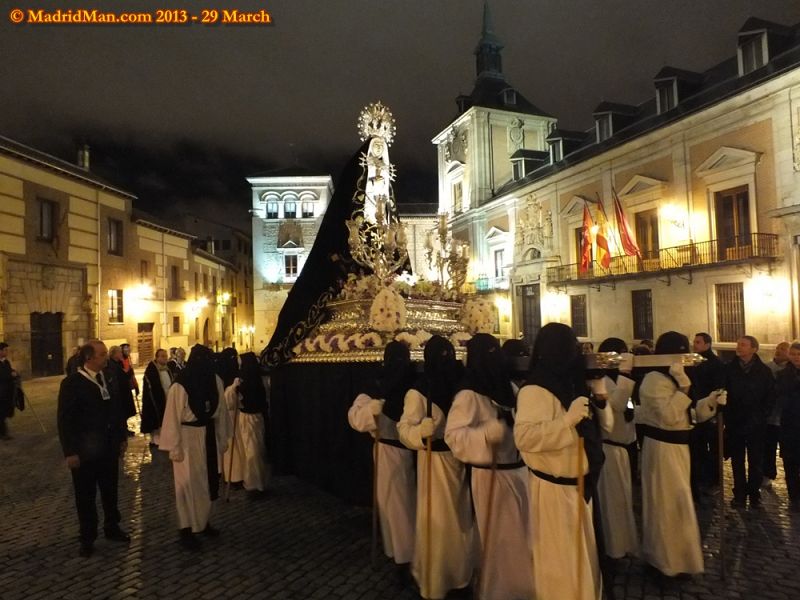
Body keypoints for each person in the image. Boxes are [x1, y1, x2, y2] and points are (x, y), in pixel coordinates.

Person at [514, 322, 613, 600]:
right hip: (554, 490)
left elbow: (601, 430)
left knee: (581, 560)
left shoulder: (572, 384)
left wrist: (601, 399)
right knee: (561, 563)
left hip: (582, 486)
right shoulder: (534, 390)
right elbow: (525, 438)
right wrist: (566, 422)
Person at [445, 333, 532, 600]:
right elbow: (454, 436)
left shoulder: (511, 389)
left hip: (519, 472)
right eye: (490, 353)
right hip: (491, 476)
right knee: (502, 541)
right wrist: (485, 433)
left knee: (523, 538)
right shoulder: (468, 395)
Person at [636, 331, 727, 577]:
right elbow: (668, 416)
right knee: (666, 504)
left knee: (679, 502)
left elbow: (690, 416)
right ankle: (664, 560)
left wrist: (711, 401)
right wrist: (684, 389)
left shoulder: (677, 378)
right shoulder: (653, 380)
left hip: (679, 449)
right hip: (661, 450)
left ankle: (681, 558)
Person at [398, 335, 475, 600]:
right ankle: (437, 578)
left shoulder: (462, 387)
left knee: (462, 518)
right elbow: (403, 429)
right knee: (439, 520)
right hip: (434, 463)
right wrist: (420, 431)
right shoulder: (418, 392)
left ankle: (462, 574)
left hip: (461, 462)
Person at [347, 341, 416, 583]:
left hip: (413, 453)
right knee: (395, 504)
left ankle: (411, 554)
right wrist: (372, 412)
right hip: (390, 451)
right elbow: (356, 417)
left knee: (406, 504)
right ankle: (401, 554)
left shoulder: (410, 384)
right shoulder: (377, 385)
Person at [57, 340, 130, 557]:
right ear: (89, 358)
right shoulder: (72, 383)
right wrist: (70, 452)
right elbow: (65, 420)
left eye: (106, 353)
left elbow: (116, 410)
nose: (106, 357)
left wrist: (121, 436)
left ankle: (112, 526)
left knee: (110, 491)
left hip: (108, 448)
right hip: (84, 451)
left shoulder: (108, 377)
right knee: (85, 496)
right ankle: (87, 537)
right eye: (102, 354)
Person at [160, 344, 230, 551]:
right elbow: (172, 415)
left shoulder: (214, 380)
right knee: (186, 484)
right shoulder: (180, 385)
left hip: (206, 434)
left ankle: (202, 521)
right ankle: (186, 527)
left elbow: (221, 411)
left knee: (204, 481)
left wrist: (222, 436)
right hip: (186, 437)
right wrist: (174, 446)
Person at [595, 337, 639, 560]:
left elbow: (627, 403)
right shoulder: (601, 380)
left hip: (624, 444)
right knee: (612, 502)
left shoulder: (615, 379)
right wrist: (626, 375)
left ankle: (624, 544)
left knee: (623, 498)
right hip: (609, 447)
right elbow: (617, 404)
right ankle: (613, 548)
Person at [724, 335, 775, 509]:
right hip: (735, 422)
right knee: (737, 460)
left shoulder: (764, 372)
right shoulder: (729, 369)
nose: (739, 347)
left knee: (756, 460)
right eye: (738, 344)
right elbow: (723, 392)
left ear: (754, 349)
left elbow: (770, 396)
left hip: (756, 423)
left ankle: (754, 493)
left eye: (743, 345)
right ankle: (739, 493)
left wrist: (762, 414)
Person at [223, 352, 270, 496]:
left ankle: (257, 483)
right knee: (250, 451)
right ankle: (252, 483)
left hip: (254, 417)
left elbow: (264, 397)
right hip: (246, 418)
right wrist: (234, 390)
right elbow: (229, 401)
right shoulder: (240, 381)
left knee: (254, 451)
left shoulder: (259, 380)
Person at [688, 332, 726, 498]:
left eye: (698, 342)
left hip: (709, 411)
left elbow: (718, 387)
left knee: (713, 448)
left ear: (707, 344)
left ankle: (713, 480)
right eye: (694, 342)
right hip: (696, 408)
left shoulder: (716, 364)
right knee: (698, 446)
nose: (694, 345)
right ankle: (702, 477)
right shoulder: (692, 361)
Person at [777, 342, 800, 512]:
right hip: (789, 424)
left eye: (798, 354)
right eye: (793, 354)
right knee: (790, 463)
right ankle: (794, 496)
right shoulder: (783, 374)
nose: (796, 358)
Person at [764, 341, 790, 489]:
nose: (779, 350)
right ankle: (768, 474)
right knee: (769, 447)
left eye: (783, 349)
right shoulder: (767, 367)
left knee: (787, 450)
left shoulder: (791, 369)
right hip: (771, 416)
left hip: (786, 417)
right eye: (778, 348)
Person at [141, 348, 172, 446]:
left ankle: (164, 438)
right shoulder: (152, 370)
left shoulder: (167, 369)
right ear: (157, 357)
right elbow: (152, 387)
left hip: (167, 397)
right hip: (155, 400)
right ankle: (155, 440)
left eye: (166, 356)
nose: (165, 358)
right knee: (156, 419)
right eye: (162, 356)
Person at [0, 342, 18, 441]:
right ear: (0, 351)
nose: (7, 352)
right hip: (1, 392)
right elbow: (2, 375)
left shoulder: (6, 362)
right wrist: (11, 375)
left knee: (4, 412)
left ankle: (3, 432)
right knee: (1, 414)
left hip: (6, 392)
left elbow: (8, 370)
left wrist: (14, 372)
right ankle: (3, 433)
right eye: (5, 350)